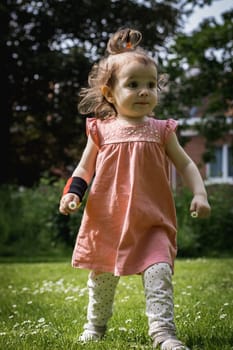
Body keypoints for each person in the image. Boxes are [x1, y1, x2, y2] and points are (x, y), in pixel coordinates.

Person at [59, 28, 211, 350]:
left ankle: (163, 334)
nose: (144, 92)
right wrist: (72, 192)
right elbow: (85, 167)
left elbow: (185, 164)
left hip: (151, 221)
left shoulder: (161, 130)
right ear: (110, 93)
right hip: (107, 220)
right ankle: (95, 326)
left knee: (159, 273)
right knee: (101, 280)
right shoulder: (99, 130)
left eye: (151, 85)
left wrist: (199, 193)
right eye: (133, 85)